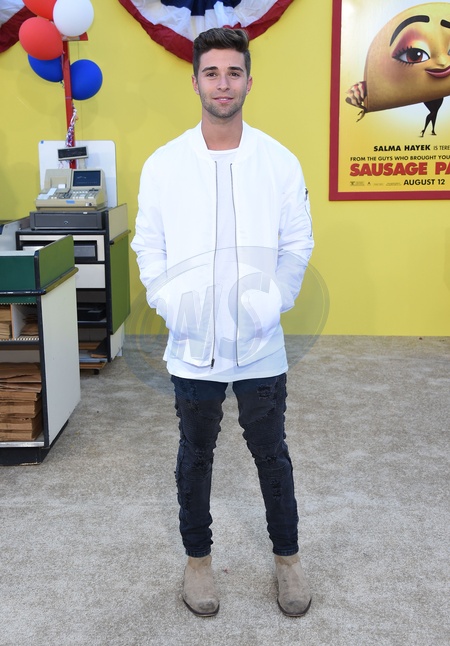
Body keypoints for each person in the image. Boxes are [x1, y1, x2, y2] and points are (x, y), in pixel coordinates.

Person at [131, 27, 314, 618]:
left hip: (261, 344)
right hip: (192, 344)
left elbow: (297, 243)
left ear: (249, 81)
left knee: (271, 453)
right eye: (212, 73)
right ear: (195, 82)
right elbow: (149, 245)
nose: (223, 84)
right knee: (196, 454)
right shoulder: (165, 164)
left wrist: (272, 303)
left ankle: (288, 560)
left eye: (233, 72)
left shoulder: (278, 162)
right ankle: (198, 563)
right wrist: (170, 302)